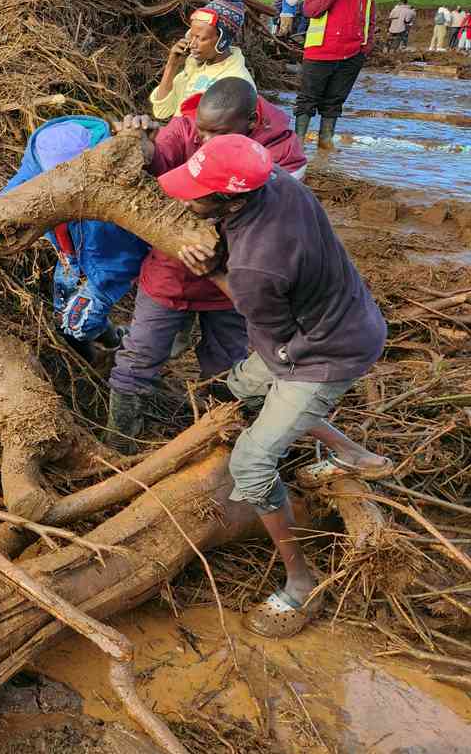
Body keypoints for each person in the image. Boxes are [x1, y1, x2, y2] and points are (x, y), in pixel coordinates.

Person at [160, 133, 392, 638]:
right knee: (244, 390)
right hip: (346, 315)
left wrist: (213, 268)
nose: (184, 197)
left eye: (196, 192)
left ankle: (300, 582)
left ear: (230, 198)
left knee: (251, 460)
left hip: (324, 351)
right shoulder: (280, 182)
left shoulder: (255, 268)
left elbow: (269, 330)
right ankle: (357, 456)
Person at [106, 77, 307, 451]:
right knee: (140, 355)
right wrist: (139, 143)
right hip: (171, 270)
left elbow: (277, 226)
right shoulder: (186, 128)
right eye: (203, 131)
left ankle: (215, 439)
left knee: (226, 365)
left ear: (249, 123)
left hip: (234, 283)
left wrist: (220, 254)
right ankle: (119, 444)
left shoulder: (281, 153)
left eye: (218, 133)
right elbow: (155, 166)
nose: (205, 141)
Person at [2, 118, 149, 364]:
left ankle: (122, 346)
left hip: (105, 266)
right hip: (69, 255)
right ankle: (102, 344)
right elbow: (9, 197)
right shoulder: (42, 154)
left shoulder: (108, 191)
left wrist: (99, 287)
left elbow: (124, 253)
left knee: (78, 324)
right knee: (62, 310)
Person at [295, 0, 373, 151]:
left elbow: (369, 21)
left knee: (335, 100)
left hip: (351, 55)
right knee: (307, 99)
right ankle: (298, 143)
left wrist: (365, 49)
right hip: (320, 53)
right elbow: (311, 11)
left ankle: (325, 141)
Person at [149, 0, 254, 119]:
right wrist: (172, 65)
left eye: (201, 38)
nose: (192, 44)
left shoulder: (236, 82)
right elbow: (162, 111)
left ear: (223, 41)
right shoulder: (193, 67)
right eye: (191, 36)